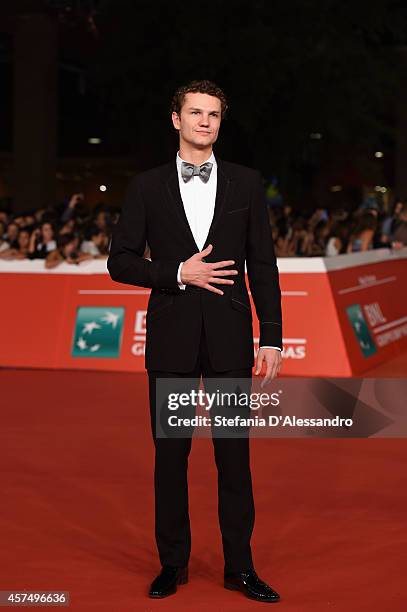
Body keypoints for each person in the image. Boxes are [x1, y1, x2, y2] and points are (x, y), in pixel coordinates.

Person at [107, 80, 282, 603]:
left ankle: (240, 567)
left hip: (230, 339)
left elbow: (264, 267)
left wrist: (270, 338)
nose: (205, 121)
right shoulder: (145, 187)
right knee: (171, 459)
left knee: (234, 459)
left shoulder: (247, 184)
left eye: (214, 115)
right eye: (196, 113)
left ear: (220, 123)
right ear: (176, 120)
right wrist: (176, 271)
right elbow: (120, 261)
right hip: (173, 339)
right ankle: (172, 563)